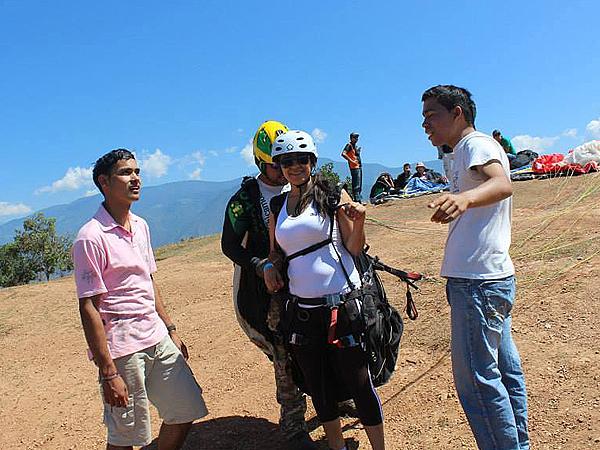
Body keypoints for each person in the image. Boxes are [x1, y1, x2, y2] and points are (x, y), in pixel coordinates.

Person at [72, 149, 208, 450]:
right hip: (122, 349)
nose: (135, 179)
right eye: (125, 173)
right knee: (126, 435)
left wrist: (170, 328)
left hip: (156, 337)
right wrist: (108, 372)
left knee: (184, 410)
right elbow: (89, 307)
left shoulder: (141, 226)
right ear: (104, 182)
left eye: (137, 172)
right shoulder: (90, 237)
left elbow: (148, 279)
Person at [422, 85, 529, 449]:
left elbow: (503, 183)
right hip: (489, 278)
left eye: (431, 115)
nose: (425, 124)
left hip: (478, 284)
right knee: (504, 372)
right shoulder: (464, 150)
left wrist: (464, 198)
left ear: (457, 113)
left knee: (477, 382)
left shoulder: (474, 144)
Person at [264, 130, 385, 450]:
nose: (295, 166)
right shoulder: (278, 205)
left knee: (360, 384)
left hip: (341, 305)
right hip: (303, 310)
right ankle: (336, 447)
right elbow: (277, 253)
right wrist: (268, 266)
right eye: (287, 161)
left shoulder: (333, 194)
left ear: (312, 161)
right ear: (279, 165)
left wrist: (358, 222)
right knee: (319, 387)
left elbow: (355, 247)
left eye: (301, 160)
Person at [221, 121, 316, 450]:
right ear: (262, 163)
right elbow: (230, 245)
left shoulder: (306, 187)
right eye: (278, 164)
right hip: (269, 291)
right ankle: (293, 422)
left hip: (310, 282)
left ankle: (330, 396)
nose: (286, 169)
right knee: (284, 352)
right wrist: (260, 265)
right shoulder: (243, 200)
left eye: (291, 160)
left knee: (321, 340)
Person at [341, 132, 363, 203]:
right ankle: (357, 200)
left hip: (358, 166)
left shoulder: (354, 146)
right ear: (351, 138)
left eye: (357, 138)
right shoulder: (349, 145)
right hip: (354, 167)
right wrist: (351, 161)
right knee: (356, 184)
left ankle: (358, 198)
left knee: (359, 184)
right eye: (355, 137)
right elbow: (343, 154)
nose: (356, 139)